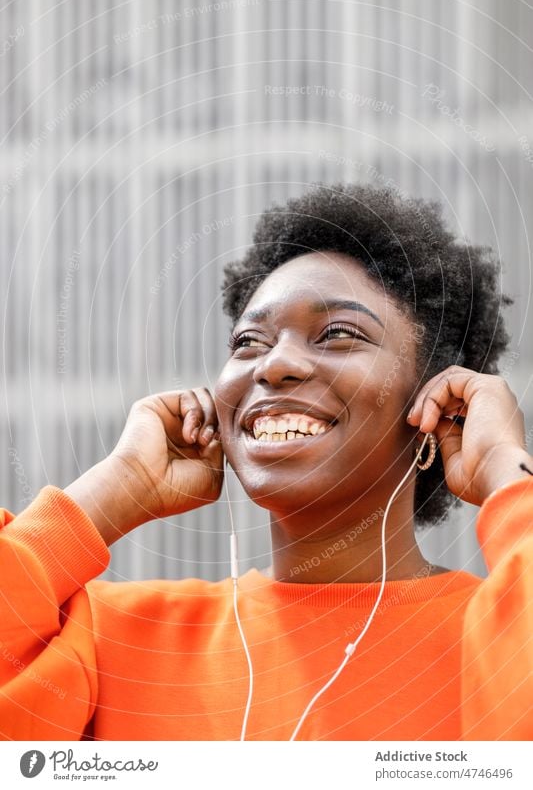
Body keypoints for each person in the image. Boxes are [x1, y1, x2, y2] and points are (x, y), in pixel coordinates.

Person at [1, 183, 532, 741]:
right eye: (249, 342)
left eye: (337, 335)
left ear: (435, 402)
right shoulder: (114, 638)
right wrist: (113, 489)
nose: (273, 365)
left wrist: (504, 468)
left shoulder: (496, 632)